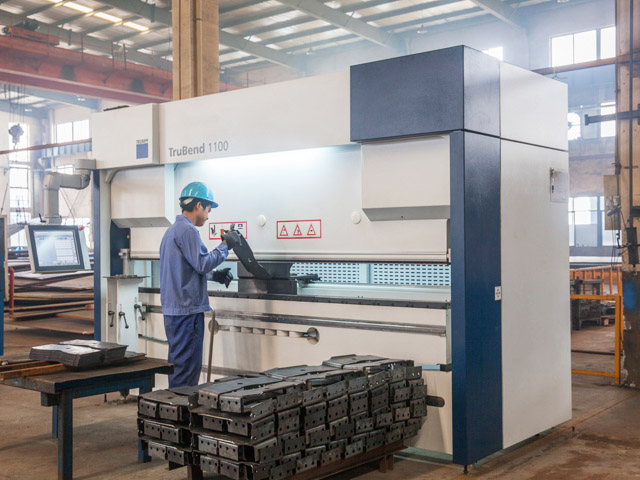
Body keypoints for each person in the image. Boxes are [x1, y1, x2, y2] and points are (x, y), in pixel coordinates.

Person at [159, 181, 241, 387]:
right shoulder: (188, 231)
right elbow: (202, 263)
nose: (208, 216)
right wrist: (226, 245)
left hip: (175, 311)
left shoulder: (172, 231)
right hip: (187, 311)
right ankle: (182, 405)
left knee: (180, 366)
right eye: (208, 210)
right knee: (187, 370)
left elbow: (186, 268)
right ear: (198, 206)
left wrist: (215, 275)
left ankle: (175, 403)